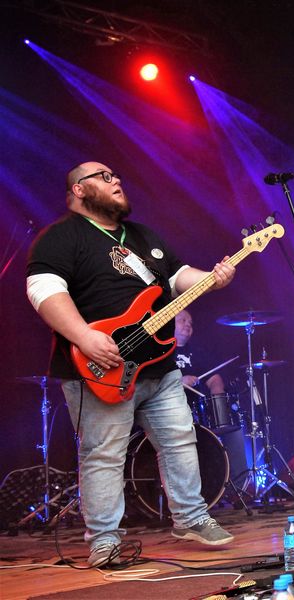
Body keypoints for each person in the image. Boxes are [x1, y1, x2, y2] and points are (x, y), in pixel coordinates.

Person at [26, 161, 236, 567]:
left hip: (158, 363)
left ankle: (191, 518)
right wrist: (85, 336)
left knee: (179, 440)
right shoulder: (61, 237)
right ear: (79, 189)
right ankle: (104, 540)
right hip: (99, 366)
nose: (116, 180)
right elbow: (43, 291)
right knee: (104, 453)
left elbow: (177, 278)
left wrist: (214, 277)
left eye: (116, 175)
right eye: (104, 177)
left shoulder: (143, 237)